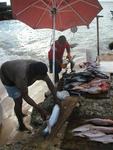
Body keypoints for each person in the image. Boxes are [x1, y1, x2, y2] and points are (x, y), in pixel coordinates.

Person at [0, 59, 59, 131]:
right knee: (18, 101)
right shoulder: (22, 77)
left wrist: (56, 98)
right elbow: (26, 96)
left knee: (21, 94)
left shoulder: (39, 67)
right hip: (6, 76)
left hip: (16, 69)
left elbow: (50, 84)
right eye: (41, 77)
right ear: (35, 76)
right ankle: (21, 125)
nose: (44, 78)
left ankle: (21, 114)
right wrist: (40, 109)